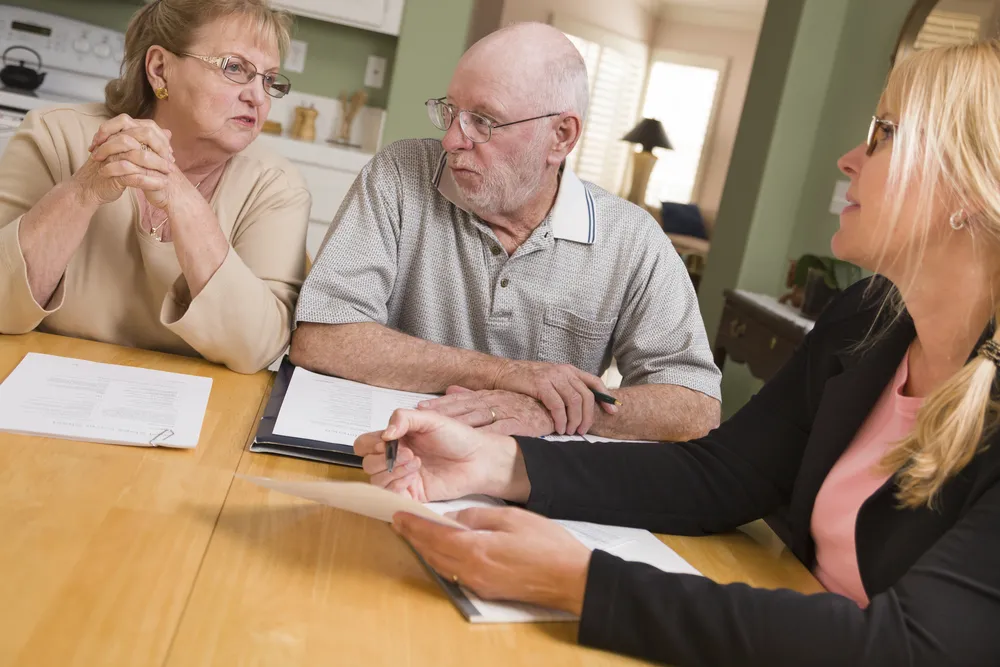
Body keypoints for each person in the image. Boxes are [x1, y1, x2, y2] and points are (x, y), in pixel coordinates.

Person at [356, 41, 1000, 666]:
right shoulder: (864, 319)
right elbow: (723, 476)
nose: (849, 158)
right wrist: (497, 462)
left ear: (969, 188)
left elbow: (909, 647)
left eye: (883, 134)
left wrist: (579, 582)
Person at [291, 22, 721, 442]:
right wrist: (503, 374)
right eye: (451, 112)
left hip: (531, 476)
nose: (452, 140)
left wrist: (551, 411)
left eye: (483, 121)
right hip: (396, 444)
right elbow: (321, 338)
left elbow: (695, 406)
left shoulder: (633, 240)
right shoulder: (400, 175)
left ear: (561, 136)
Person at [0, 0, 309, 374]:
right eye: (234, 68)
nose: (257, 97)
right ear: (160, 69)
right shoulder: (53, 136)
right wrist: (84, 191)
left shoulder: (276, 187)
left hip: (195, 403)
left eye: (268, 80)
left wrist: (180, 197)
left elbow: (256, 349)